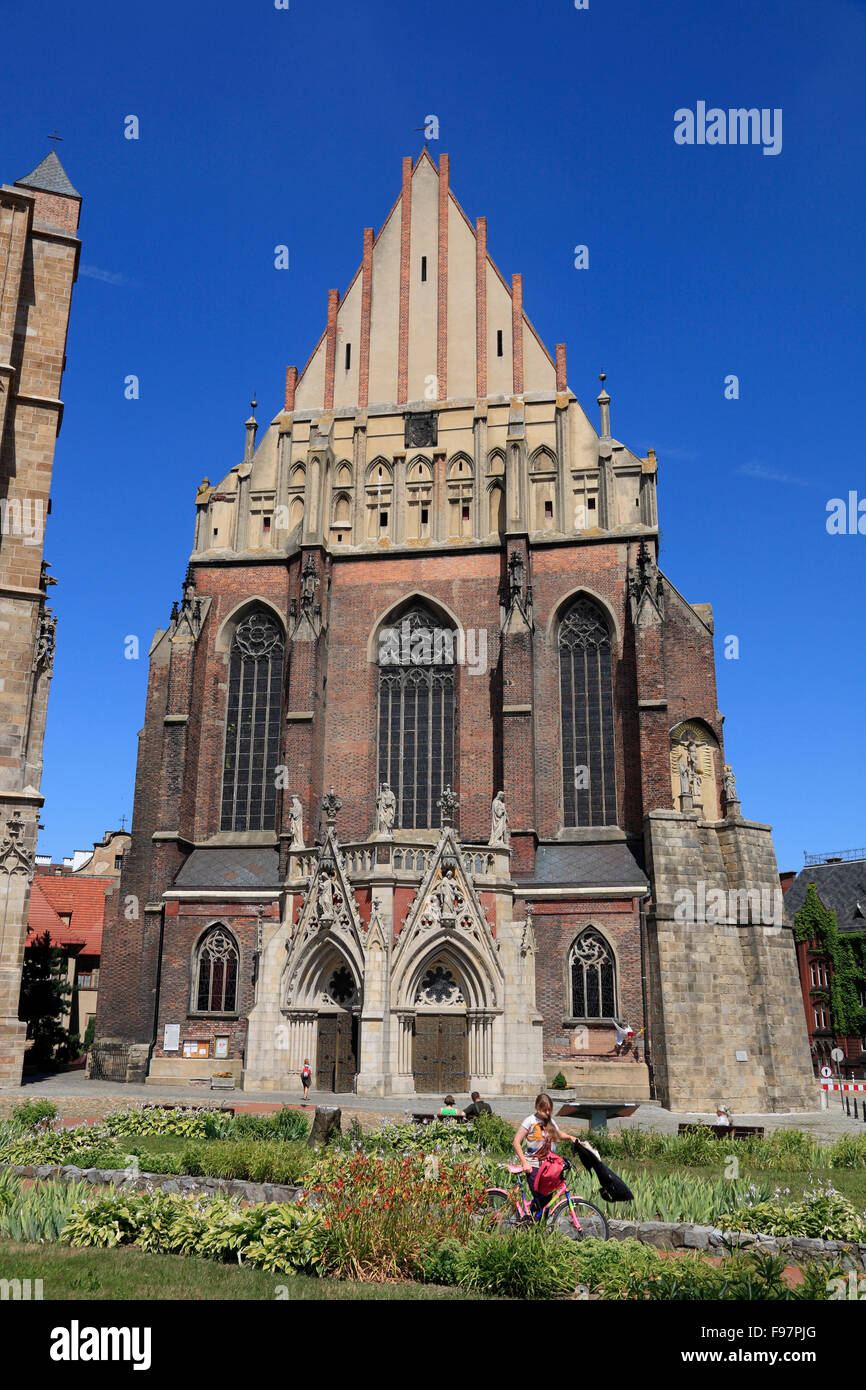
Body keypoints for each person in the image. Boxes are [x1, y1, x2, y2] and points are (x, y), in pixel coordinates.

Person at [513, 1093, 574, 1214]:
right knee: (542, 1203)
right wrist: (525, 1163)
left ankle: (535, 1226)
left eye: (549, 1110)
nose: (547, 1112)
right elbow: (516, 1142)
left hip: (548, 1167)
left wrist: (572, 1138)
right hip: (534, 1166)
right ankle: (533, 1226)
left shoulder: (550, 1121)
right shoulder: (530, 1121)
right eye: (544, 1110)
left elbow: (559, 1134)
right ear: (537, 1107)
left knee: (546, 1204)